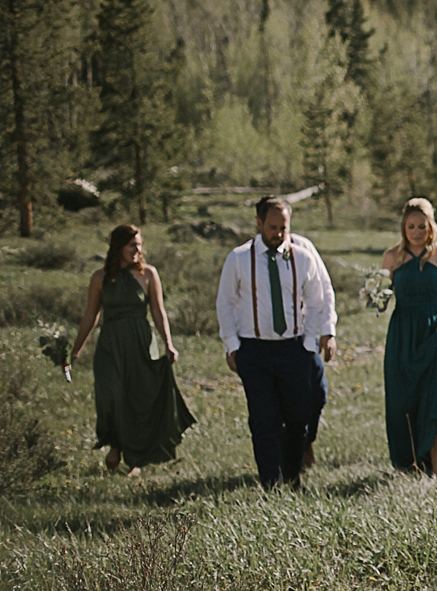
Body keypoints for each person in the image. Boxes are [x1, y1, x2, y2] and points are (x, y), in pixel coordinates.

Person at [216, 196, 337, 489]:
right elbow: (226, 302)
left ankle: (293, 477)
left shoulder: (302, 257)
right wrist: (232, 344)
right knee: (263, 418)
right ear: (259, 224)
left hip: (292, 348)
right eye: (272, 227)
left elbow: (317, 299)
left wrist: (310, 342)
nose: (279, 234)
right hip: (254, 349)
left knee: (298, 416)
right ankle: (270, 481)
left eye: (283, 227)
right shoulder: (239, 258)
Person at [69, 225, 195, 472]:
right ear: (118, 248)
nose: (137, 250)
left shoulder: (148, 274)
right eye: (131, 245)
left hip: (140, 341)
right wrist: (75, 351)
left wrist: (168, 343)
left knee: (138, 397)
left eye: (139, 244)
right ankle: (115, 444)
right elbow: (90, 316)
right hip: (110, 344)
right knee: (112, 395)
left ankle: (135, 455)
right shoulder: (100, 277)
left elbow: (158, 312)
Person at [381, 198, 437, 479]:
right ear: (403, 227)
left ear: (431, 226)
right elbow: (382, 298)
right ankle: (410, 465)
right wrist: (375, 297)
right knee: (402, 403)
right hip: (404, 336)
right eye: (411, 226)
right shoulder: (391, 256)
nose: (417, 232)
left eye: (422, 226)